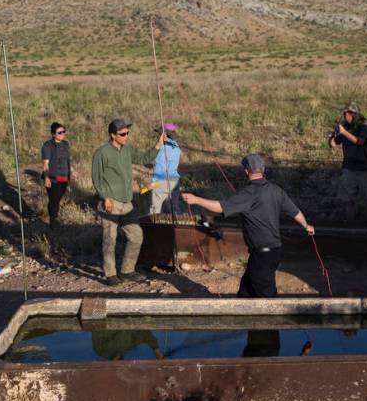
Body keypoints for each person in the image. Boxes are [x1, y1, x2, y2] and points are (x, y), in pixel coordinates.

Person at [182, 154, 315, 297]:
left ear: (246, 171)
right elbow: (295, 211)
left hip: (262, 255)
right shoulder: (276, 190)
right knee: (246, 291)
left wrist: (196, 200)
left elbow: (221, 207)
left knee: (267, 296)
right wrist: (306, 225)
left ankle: (274, 319)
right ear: (263, 169)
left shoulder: (248, 193)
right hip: (272, 251)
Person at [91, 119, 166, 286]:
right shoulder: (101, 153)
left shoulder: (128, 149)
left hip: (127, 203)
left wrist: (158, 144)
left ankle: (127, 271)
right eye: (122, 134)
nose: (126, 136)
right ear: (112, 135)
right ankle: (110, 274)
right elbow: (96, 178)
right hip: (110, 202)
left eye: (127, 133)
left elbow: (144, 157)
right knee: (109, 239)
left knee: (136, 235)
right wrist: (105, 197)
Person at [328, 102, 367, 221]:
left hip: (365, 169)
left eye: (349, 113)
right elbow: (333, 144)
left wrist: (344, 132)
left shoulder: (366, 126)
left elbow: (361, 142)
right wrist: (332, 134)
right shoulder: (345, 127)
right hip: (349, 169)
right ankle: (351, 223)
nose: (346, 116)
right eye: (345, 114)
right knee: (348, 200)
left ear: (355, 114)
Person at [41, 122, 73, 227]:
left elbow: (67, 160)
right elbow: (46, 164)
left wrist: (72, 170)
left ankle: (53, 217)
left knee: (57, 199)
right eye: (59, 132)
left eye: (63, 132)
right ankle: (53, 221)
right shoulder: (48, 145)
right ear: (53, 134)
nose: (62, 134)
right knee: (54, 200)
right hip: (53, 178)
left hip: (64, 177)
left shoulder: (65, 144)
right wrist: (46, 177)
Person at [148, 122, 182, 217]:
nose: (158, 136)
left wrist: (154, 183)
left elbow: (160, 166)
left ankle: (153, 230)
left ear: (164, 134)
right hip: (175, 181)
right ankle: (179, 228)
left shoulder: (162, 148)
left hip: (161, 181)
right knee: (174, 209)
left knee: (154, 210)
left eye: (159, 133)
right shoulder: (177, 147)